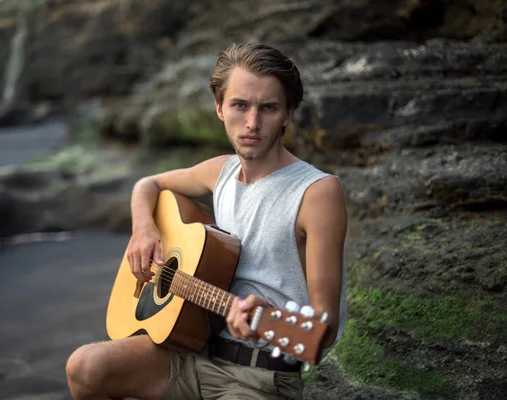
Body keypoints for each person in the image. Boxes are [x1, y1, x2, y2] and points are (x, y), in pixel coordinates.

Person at [66, 43, 347, 400]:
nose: (252, 123)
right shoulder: (221, 172)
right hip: (192, 353)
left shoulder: (317, 193)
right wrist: (143, 230)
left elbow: (323, 329)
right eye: (240, 105)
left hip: (259, 377)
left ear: (288, 113)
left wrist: (269, 323)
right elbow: (147, 184)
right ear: (219, 107)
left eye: (269, 108)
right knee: (85, 367)